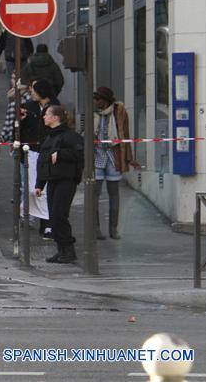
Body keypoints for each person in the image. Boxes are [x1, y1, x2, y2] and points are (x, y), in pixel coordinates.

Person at [35, 105, 85, 264]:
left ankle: (68, 250)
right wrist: (39, 184)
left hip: (65, 180)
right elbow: (42, 162)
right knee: (54, 216)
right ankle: (62, 249)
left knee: (59, 215)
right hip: (52, 181)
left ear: (55, 117)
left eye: (47, 114)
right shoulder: (49, 137)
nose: (43, 117)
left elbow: (81, 154)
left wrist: (61, 154)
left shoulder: (70, 136)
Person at [93, 86, 140, 240]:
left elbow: (125, 135)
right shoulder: (93, 113)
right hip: (97, 156)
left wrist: (129, 158)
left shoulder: (119, 112)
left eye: (98, 99)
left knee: (114, 194)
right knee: (94, 195)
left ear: (106, 100)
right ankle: (96, 229)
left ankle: (113, 229)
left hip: (114, 156)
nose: (95, 102)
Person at [19, 79, 61, 238]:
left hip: (48, 152)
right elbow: (19, 129)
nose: (31, 93)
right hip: (31, 151)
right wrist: (21, 122)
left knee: (46, 188)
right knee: (32, 188)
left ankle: (47, 223)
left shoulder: (55, 106)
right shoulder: (28, 107)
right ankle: (31, 213)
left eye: (34, 90)